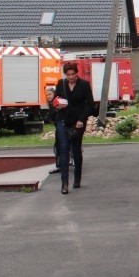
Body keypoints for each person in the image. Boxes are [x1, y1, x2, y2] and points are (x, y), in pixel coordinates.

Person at [55, 62, 94, 194]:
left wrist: (81, 120)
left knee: (76, 150)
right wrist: (57, 105)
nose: (71, 77)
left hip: (78, 122)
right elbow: (55, 99)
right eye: (68, 75)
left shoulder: (84, 85)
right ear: (65, 74)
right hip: (63, 120)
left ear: (77, 73)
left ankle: (77, 178)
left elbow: (90, 105)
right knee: (64, 150)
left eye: (73, 74)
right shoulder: (61, 84)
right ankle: (64, 184)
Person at [44, 86, 62, 174]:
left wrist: (49, 118)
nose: (48, 96)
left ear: (54, 93)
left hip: (61, 124)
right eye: (46, 95)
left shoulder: (56, 102)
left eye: (50, 94)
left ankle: (59, 166)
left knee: (57, 145)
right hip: (59, 124)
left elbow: (53, 115)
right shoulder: (52, 102)